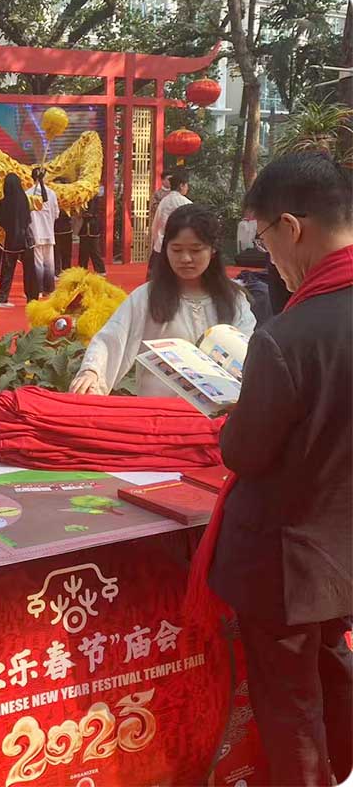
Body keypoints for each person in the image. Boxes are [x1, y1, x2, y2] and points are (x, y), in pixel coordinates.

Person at [205, 152, 353, 787]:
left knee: (292, 708)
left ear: (292, 227)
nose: (269, 256)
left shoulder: (287, 337)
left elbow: (245, 452)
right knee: (334, 677)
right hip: (343, 550)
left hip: (287, 563)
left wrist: (234, 416)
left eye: (263, 236)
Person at [70, 204, 255, 396]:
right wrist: (92, 372)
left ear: (212, 250)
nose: (185, 258)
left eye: (196, 250)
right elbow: (113, 337)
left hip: (217, 417)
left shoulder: (234, 299)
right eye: (176, 249)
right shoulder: (147, 296)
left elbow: (247, 352)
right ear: (165, 249)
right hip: (158, 413)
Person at [0, 173, 36, 308]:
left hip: (10, 239)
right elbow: (28, 219)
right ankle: (32, 297)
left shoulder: (2, 202)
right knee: (30, 270)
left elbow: (1, 221)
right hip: (25, 239)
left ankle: (2, 298)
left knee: (7, 269)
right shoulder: (24, 200)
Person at [148, 172, 191, 278]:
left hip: (161, 242)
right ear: (181, 185)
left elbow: (155, 224)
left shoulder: (164, 201)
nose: (187, 188)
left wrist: (156, 239)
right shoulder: (186, 203)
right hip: (180, 245)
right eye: (186, 185)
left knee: (156, 277)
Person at [27, 167, 59, 295]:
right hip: (48, 232)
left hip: (35, 232)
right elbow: (56, 213)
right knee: (49, 262)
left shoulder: (28, 193)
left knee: (38, 263)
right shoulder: (51, 194)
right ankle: (49, 290)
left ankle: (38, 290)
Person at [79, 194, 106, 276]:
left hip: (93, 227)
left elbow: (95, 211)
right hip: (84, 228)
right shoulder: (81, 198)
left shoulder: (96, 198)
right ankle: (82, 270)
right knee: (83, 252)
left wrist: (89, 214)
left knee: (95, 251)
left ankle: (100, 270)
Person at [54, 207, 73, 275]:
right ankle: (57, 271)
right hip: (55, 229)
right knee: (56, 252)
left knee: (66, 253)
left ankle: (67, 271)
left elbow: (74, 212)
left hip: (67, 229)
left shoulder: (70, 198)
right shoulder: (52, 197)